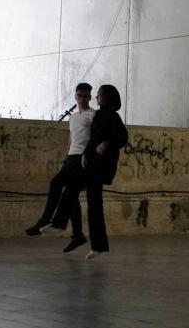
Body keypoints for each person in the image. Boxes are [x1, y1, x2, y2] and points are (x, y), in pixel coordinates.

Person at [41, 85, 128, 259]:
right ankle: (98, 246)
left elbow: (123, 137)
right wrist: (85, 155)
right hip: (92, 164)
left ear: (106, 97)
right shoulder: (99, 115)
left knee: (72, 186)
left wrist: (107, 144)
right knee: (94, 206)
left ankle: (59, 223)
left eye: (99, 95)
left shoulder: (112, 115)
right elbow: (93, 139)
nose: (96, 97)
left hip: (100, 167)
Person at [25, 82, 93, 253]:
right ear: (75, 97)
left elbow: (96, 137)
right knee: (71, 196)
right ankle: (77, 235)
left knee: (56, 183)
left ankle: (45, 221)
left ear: (90, 97)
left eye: (85, 96)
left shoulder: (93, 115)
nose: (82, 99)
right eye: (79, 95)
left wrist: (89, 157)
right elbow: (71, 138)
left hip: (82, 158)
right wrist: (65, 157)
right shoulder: (73, 117)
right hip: (71, 158)